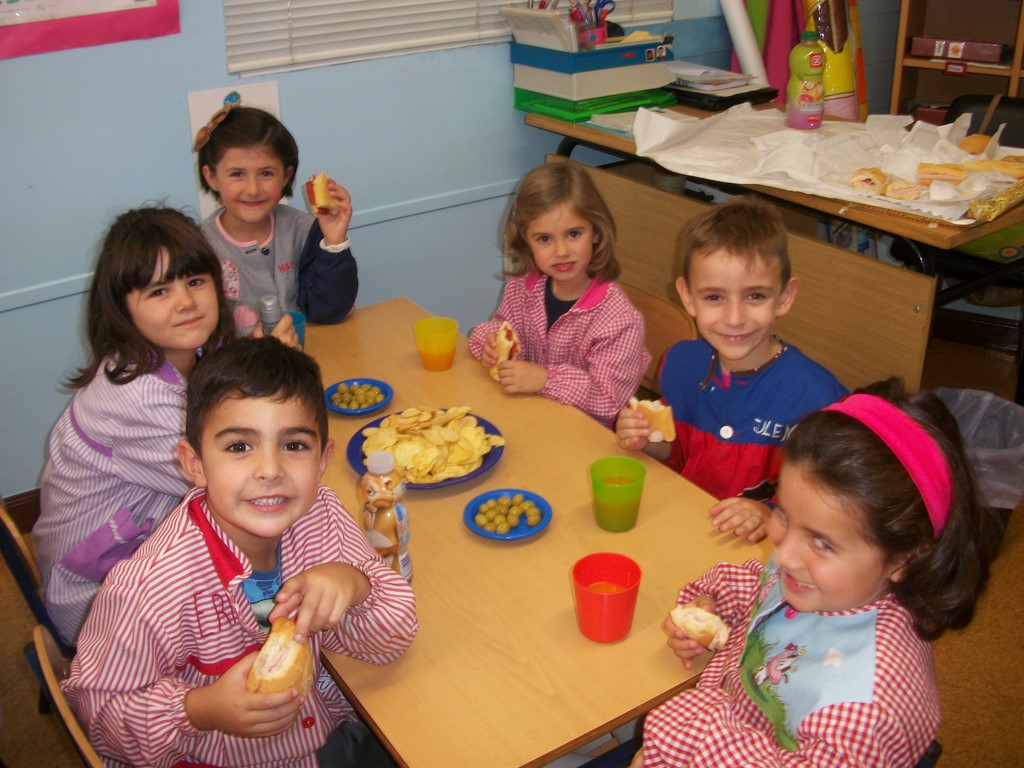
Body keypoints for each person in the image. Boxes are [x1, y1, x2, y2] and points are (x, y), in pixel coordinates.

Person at [63, 337, 418, 768]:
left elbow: (391, 640)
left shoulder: (320, 514)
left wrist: (357, 585)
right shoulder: (148, 590)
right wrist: (198, 709)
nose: (270, 470)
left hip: (325, 723)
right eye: (238, 447)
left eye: (294, 445)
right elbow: (99, 718)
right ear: (194, 464)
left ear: (322, 459)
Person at [632, 380, 999, 768]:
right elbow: (760, 582)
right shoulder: (824, 577)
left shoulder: (869, 710)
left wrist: (690, 729)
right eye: (783, 514)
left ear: (903, 560)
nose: (785, 554)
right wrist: (713, 604)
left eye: (822, 543)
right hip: (721, 717)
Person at [34, 206, 241, 648]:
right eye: (159, 291)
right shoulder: (135, 396)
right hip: (100, 602)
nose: (186, 302)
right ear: (122, 309)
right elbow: (231, 488)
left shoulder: (187, 352)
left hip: (145, 552)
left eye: (195, 281)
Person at [615, 197, 847, 542]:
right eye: (714, 297)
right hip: (685, 527)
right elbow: (683, 457)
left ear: (784, 297)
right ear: (688, 297)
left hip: (764, 552)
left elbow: (834, 502)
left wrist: (772, 514)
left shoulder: (818, 400)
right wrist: (650, 441)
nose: (735, 318)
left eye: (755, 296)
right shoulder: (680, 366)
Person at [468, 163, 650, 426]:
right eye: (544, 239)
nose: (561, 251)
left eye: (573, 234)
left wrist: (544, 379)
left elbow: (609, 400)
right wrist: (489, 343)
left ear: (596, 231)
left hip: (581, 435)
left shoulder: (619, 320)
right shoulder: (521, 287)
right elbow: (503, 327)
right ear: (526, 241)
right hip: (527, 416)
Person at [194, 103, 358, 336]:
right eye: (237, 174)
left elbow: (328, 311)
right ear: (211, 177)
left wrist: (334, 244)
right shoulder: (199, 246)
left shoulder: (303, 231)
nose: (253, 189)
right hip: (239, 359)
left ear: (286, 176)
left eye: (266, 173)